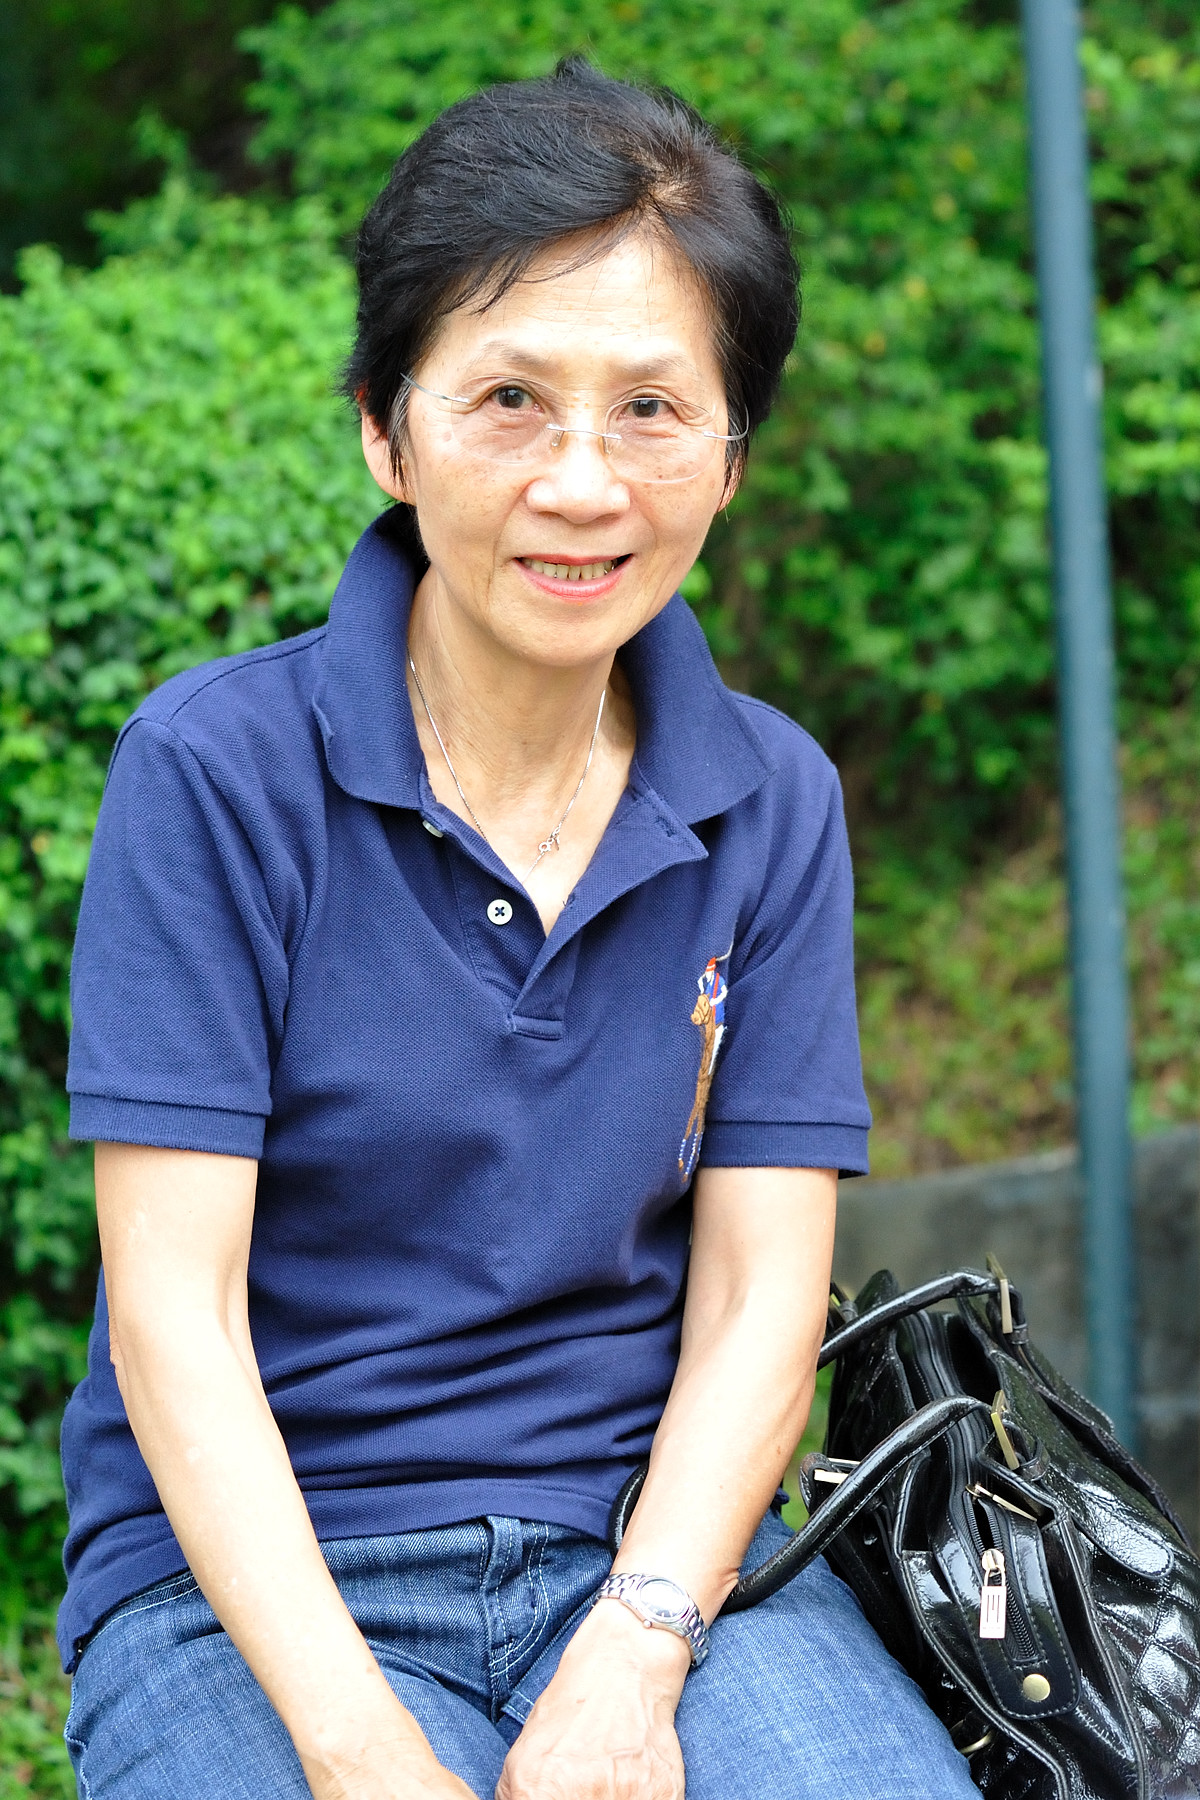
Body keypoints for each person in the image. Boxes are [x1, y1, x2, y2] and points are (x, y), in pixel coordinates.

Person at [57, 58, 982, 1800]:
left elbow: (761, 1293)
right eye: (507, 400)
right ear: (384, 429)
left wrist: (639, 1650)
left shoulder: (773, 799)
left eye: (653, 409)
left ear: (729, 458)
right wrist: (359, 1748)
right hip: (250, 1586)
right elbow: (171, 1316)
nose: (582, 481)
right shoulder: (213, 771)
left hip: (656, 1557)